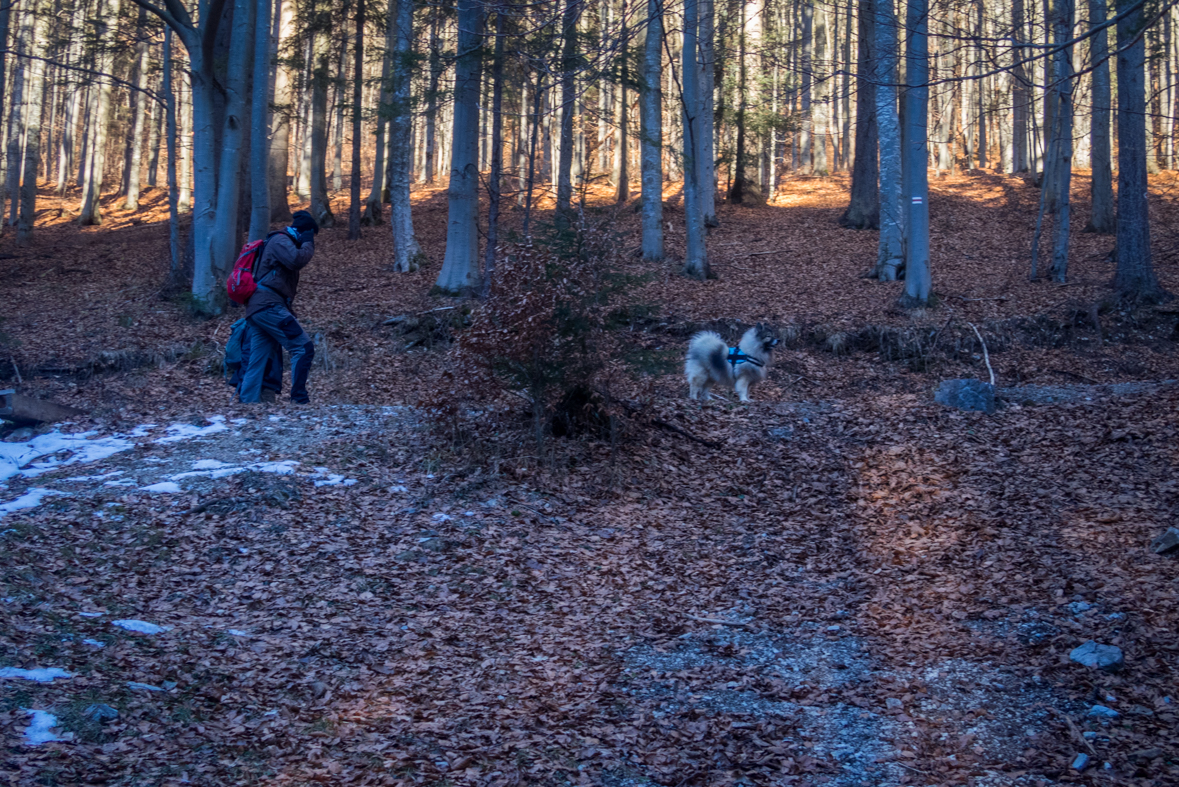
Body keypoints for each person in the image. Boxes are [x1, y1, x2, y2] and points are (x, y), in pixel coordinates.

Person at [238, 210, 318, 404]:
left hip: (260, 309)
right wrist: (308, 242)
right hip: (267, 307)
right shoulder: (280, 241)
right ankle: (299, 400)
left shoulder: (280, 242)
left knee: (257, 359)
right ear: (304, 231)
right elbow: (296, 260)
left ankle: (247, 405)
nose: (311, 238)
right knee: (303, 347)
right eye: (310, 234)